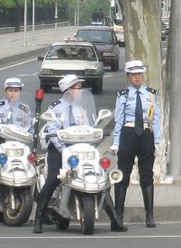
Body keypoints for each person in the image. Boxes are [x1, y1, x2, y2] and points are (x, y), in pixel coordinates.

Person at [34, 75, 127, 233]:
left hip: (81, 149)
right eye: (78, 88)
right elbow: (53, 131)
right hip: (60, 149)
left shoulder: (81, 108)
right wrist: (64, 150)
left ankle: (115, 220)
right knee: (53, 179)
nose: (81, 91)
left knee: (99, 176)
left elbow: (90, 126)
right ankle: (39, 218)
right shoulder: (55, 108)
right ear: (69, 90)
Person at [111, 60, 162, 228]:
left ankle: (150, 216)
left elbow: (156, 118)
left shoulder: (151, 94)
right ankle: (118, 217)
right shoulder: (124, 94)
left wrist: (157, 140)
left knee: (147, 176)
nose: (137, 77)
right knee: (123, 176)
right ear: (128, 76)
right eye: (133, 75)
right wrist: (116, 142)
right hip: (128, 133)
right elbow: (118, 120)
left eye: (139, 74)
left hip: (146, 134)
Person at [0, 78, 33, 164]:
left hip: (20, 140)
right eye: (10, 90)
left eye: (16, 91)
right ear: (5, 92)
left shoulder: (25, 109)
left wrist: (29, 134)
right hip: (1, 138)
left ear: (20, 92)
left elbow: (30, 127)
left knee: (30, 157)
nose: (13, 93)